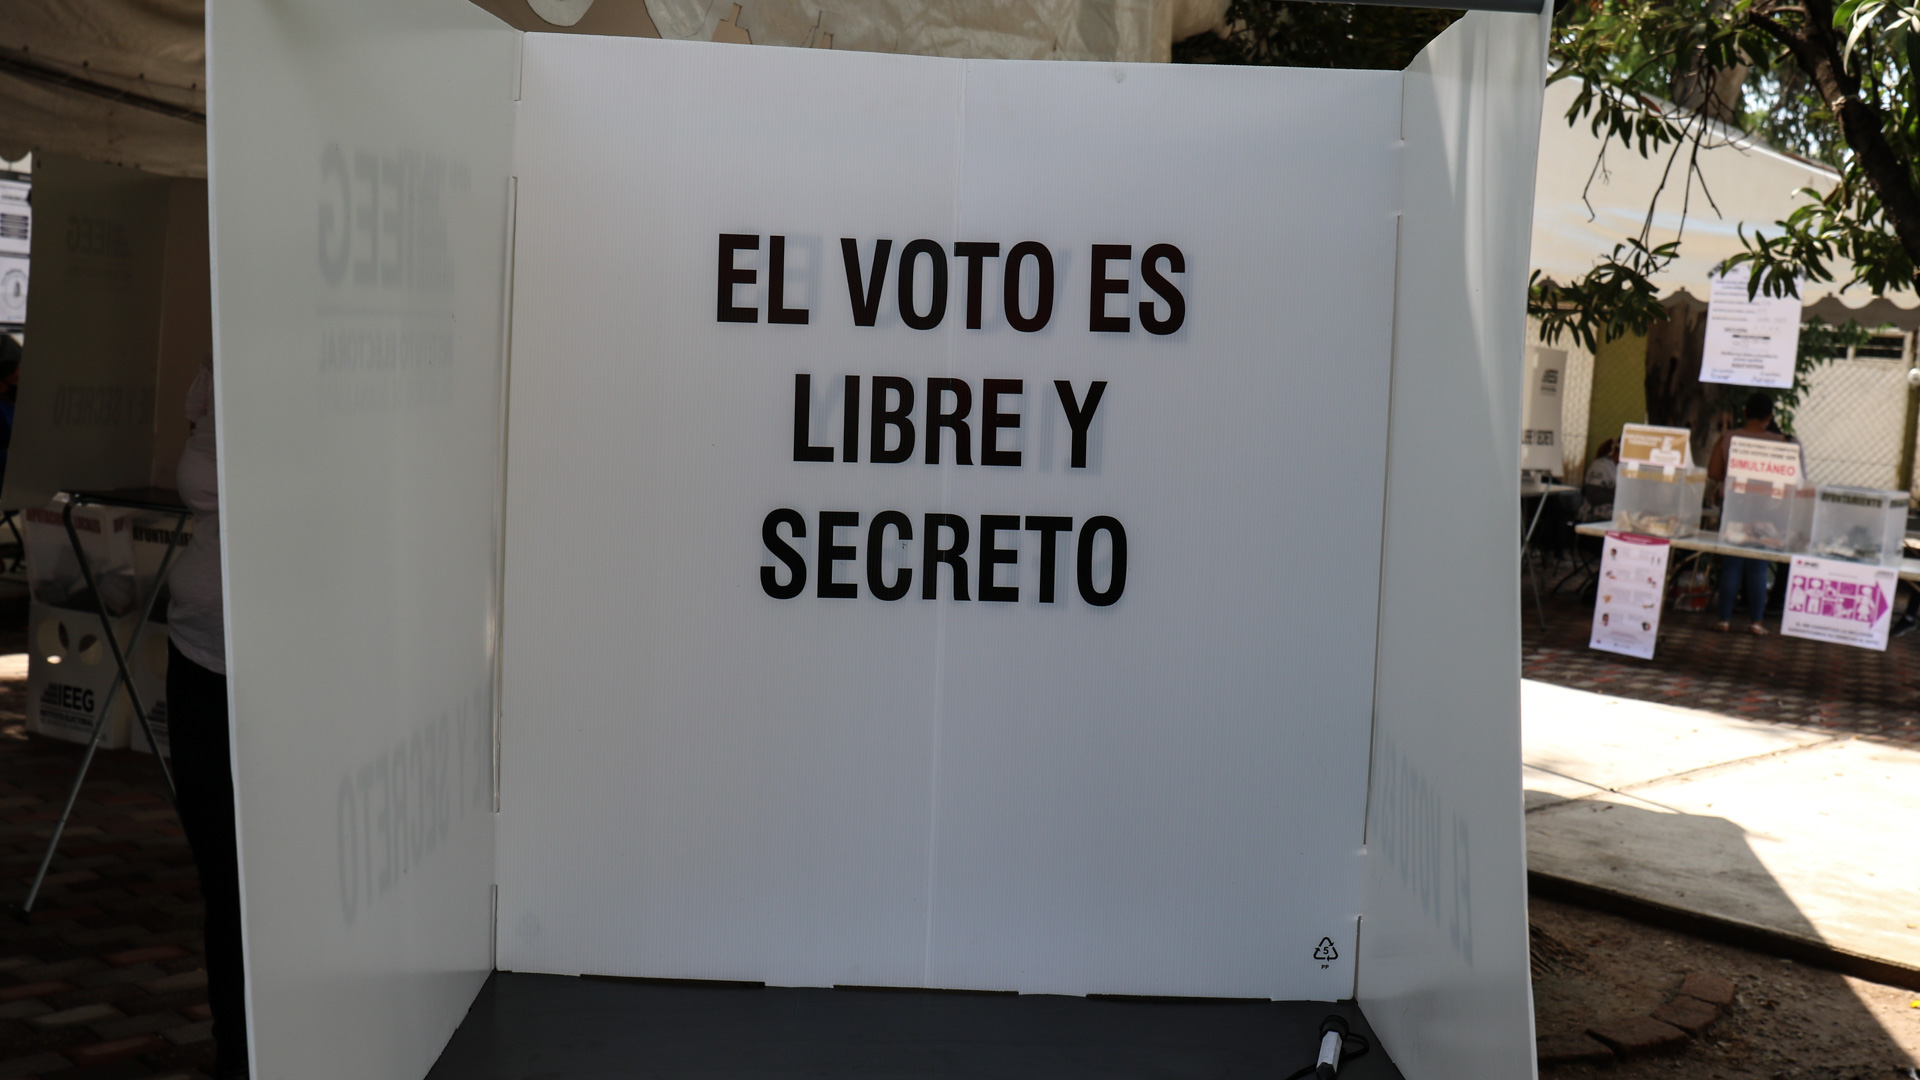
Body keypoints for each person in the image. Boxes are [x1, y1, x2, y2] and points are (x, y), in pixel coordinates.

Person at [165, 359, 248, 1080]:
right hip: (200, 656)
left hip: (303, 675)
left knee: (286, 883)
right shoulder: (222, 362)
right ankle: (239, 1054)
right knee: (223, 881)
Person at [1706, 392, 1797, 634]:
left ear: (1745, 413)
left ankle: (1724, 620)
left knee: (1732, 565)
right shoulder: (1783, 442)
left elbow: (1714, 472)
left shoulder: (1728, 438)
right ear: (1769, 417)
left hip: (1734, 507)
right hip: (1768, 510)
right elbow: (1794, 479)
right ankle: (1756, 622)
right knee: (1758, 566)